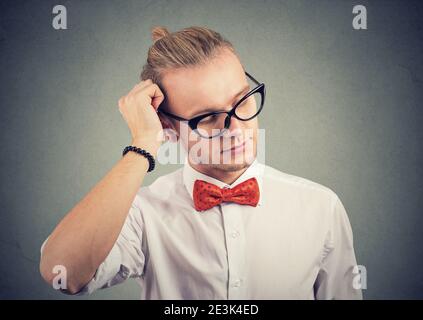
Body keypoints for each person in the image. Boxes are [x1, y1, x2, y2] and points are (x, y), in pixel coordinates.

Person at [39, 26, 363, 300]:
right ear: (167, 125)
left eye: (242, 100)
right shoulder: (142, 214)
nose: (235, 129)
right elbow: (62, 273)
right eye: (208, 118)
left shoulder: (322, 207)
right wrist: (142, 145)